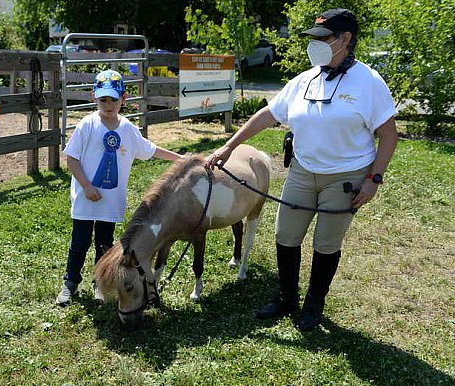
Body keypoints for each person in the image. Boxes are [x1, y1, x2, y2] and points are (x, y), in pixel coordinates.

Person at [205, 8, 398, 330]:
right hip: (303, 171)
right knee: (286, 235)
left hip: (346, 176)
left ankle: (313, 306)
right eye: (314, 38)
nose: (315, 44)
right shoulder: (305, 79)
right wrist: (229, 146)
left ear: (345, 39)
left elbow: (389, 135)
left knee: (325, 242)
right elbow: (267, 114)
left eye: (323, 38)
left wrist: (373, 179)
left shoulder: (369, 82)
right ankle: (286, 298)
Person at [56, 69, 183, 306]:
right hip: (86, 198)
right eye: (103, 99)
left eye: (113, 99)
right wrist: (86, 186)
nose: (108, 104)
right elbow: (71, 159)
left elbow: (151, 150)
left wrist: (180, 159)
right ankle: (70, 283)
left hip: (110, 201)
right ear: (94, 98)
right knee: (80, 242)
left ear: (123, 99)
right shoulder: (87, 125)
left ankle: (99, 283)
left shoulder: (127, 129)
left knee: (104, 244)